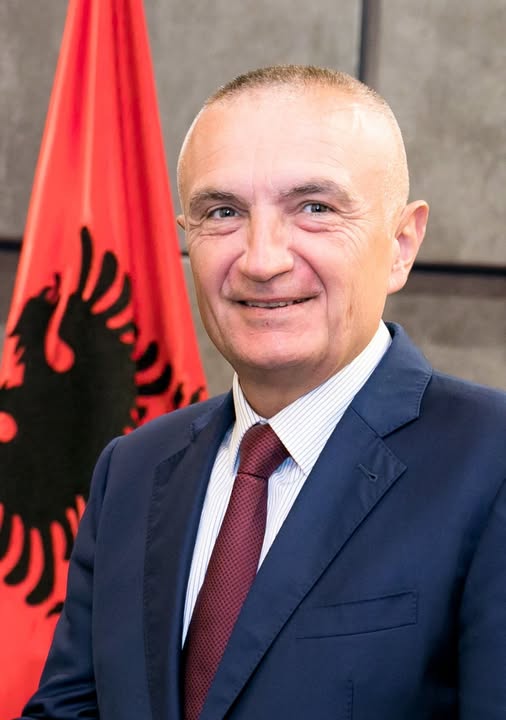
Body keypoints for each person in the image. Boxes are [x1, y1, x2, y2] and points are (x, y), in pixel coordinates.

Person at [19, 65, 506, 719]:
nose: (262, 259)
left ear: (400, 244)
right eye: (223, 213)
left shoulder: (490, 462)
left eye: (315, 208)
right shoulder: (131, 471)